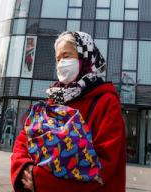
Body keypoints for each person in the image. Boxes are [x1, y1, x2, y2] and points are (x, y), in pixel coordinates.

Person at [10, 31, 126, 192]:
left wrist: (43, 182)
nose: (61, 63)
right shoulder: (53, 98)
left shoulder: (106, 101)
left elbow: (104, 163)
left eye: (67, 56)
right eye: (58, 59)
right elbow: (25, 138)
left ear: (84, 56)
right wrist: (23, 168)